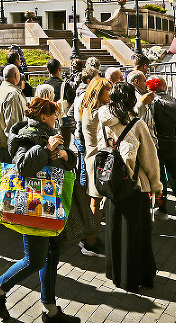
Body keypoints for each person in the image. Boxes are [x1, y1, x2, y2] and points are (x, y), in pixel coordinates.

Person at [0, 98, 79, 323]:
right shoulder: (27, 137)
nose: (57, 118)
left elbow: (68, 162)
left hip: (52, 205)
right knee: (34, 260)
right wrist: (46, 149)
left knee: (52, 255)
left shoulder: (50, 133)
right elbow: (23, 167)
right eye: (53, 114)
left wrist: (66, 155)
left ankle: (50, 309)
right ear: (43, 116)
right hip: (33, 205)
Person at [100, 82, 161, 293]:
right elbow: (150, 159)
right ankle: (135, 276)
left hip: (111, 184)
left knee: (115, 230)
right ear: (131, 100)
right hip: (133, 185)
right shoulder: (137, 124)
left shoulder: (104, 121)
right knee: (136, 234)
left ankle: (115, 273)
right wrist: (156, 184)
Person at [78, 76, 112, 257]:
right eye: (108, 90)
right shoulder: (99, 112)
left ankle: (89, 237)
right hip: (97, 161)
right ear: (100, 92)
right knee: (96, 202)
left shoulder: (87, 109)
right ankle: (89, 243)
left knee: (94, 200)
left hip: (92, 158)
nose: (111, 93)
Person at [148, 76, 176, 218]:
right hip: (173, 140)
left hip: (159, 143)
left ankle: (163, 210)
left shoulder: (153, 102)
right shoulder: (173, 100)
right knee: (174, 176)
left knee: (160, 179)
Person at [0, 64, 27, 163]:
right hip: (11, 145)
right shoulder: (12, 94)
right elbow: (13, 123)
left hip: (1, 141)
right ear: (15, 75)